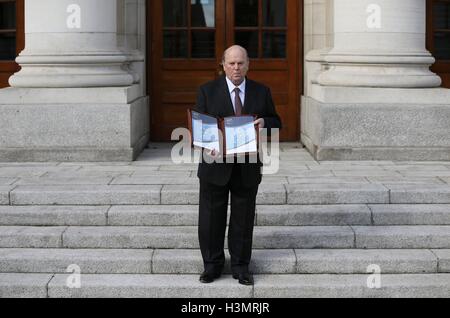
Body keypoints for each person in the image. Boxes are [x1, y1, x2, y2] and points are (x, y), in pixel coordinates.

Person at [195, 45, 282, 285]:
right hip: (215, 165)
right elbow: (199, 126)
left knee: (243, 220)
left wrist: (266, 122)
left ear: (248, 65)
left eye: (240, 63)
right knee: (211, 219)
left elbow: (277, 122)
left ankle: (241, 266)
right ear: (223, 65)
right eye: (231, 63)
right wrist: (207, 143)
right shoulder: (207, 91)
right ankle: (211, 266)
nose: (236, 68)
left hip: (247, 166)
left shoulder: (261, 91)